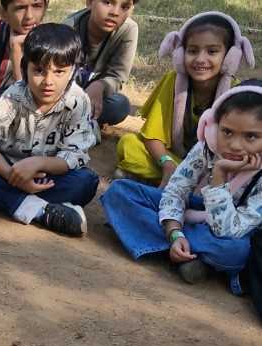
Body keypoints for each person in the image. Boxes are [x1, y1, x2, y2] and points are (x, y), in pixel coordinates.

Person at [101, 83, 262, 289]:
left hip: (225, 231)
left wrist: (219, 175)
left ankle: (163, 247)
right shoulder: (205, 148)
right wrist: (175, 233)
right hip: (187, 214)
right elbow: (176, 190)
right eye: (227, 132)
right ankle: (189, 255)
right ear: (213, 127)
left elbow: (228, 232)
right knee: (119, 192)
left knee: (237, 252)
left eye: (251, 136)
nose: (235, 145)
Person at [0, 23, 99, 237]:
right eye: (39, 70)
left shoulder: (79, 101)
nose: (48, 81)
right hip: (5, 169)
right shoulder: (14, 95)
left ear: (73, 72)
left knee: (86, 182)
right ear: (25, 67)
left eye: (59, 72)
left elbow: (74, 154)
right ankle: (40, 211)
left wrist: (38, 163)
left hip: (46, 177)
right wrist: (12, 174)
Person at [116, 12, 254, 185]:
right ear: (181, 54)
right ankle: (178, 179)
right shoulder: (172, 81)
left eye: (212, 51)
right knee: (129, 143)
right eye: (192, 51)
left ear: (229, 57)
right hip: (174, 160)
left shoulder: (235, 94)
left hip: (213, 168)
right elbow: (152, 137)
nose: (200, 59)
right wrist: (167, 164)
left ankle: (171, 180)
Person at [62, 0, 141, 133]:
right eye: (107, 2)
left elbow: (118, 76)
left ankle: (83, 120)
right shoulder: (69, 28)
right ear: (90, 1)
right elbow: (57, 73)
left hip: (97, 93)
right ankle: (81, 122)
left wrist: (100, 86)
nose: (115, 12)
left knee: (120, 106)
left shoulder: (129, 30)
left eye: (124, 7)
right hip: (66, 91)